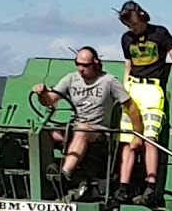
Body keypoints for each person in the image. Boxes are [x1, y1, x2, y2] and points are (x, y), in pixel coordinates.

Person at [115, 0, 172, 206]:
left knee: (149, 138)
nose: (131, 26)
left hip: (153, 89)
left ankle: (151, 186)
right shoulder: (126, 39)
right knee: (128, 140)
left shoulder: (160, 33)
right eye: (127, 23)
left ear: (141, 16)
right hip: (133, 89)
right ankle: (123, 187)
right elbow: (128, 66)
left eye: (132, 21)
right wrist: (125, 90)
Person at [32, 46, 145, 201]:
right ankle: (45, 173)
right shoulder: (71, 79)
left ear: (95, 63)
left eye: (85, 65)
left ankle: (63, 175)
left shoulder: (109, 81)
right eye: (77, 64)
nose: (81, 69)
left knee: (83, 131)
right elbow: (49, 100)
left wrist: (138, 135)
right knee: (46, 132)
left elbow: (131, 106)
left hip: (99, 132)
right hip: (77, 126)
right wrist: (42, 93)